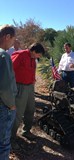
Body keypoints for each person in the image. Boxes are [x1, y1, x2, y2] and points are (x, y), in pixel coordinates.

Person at [11, 42, 45, 149]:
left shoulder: (33, 58)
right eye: (39, 54)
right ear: (33, 51)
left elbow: (31, 70)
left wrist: (33, 79)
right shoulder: (20, 55)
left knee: (30, 109)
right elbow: (9, 70)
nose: (39, 57)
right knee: (18, 114)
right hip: (20, 87)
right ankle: (11, 139)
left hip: (30, 87)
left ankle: (26, 131)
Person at [0, 25, 17, 160]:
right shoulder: (4, 55)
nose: (13, 43)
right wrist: (11, 105)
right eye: (13, 39)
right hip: (3, 106)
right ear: (7, 37)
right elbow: (5, 87)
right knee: (3, 143)